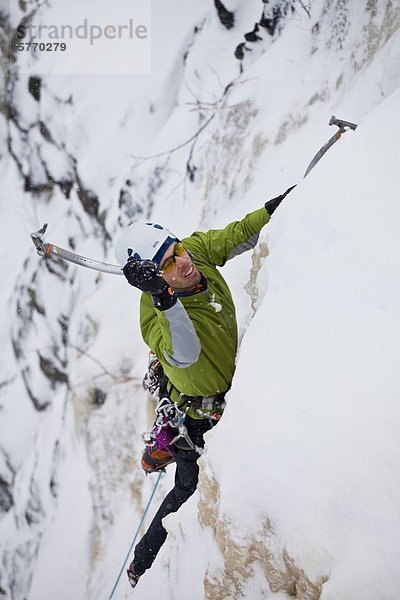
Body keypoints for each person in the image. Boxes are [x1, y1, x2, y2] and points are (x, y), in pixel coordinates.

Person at [114, 185, 295, 589]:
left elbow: (235, 235)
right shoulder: (155, 324)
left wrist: (282, 205)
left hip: (208, 389)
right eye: (168, 265)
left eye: (178, 249)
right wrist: (164, 299)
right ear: (154, 280)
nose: (184, 262)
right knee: (185, 492)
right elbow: (184, 353)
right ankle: (142, 562)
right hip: (198, 418)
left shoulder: (191, 254)